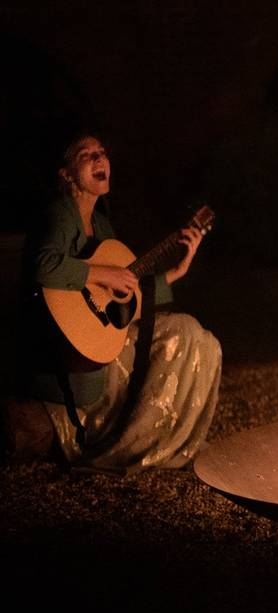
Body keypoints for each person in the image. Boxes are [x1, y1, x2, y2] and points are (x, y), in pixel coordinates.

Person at [19, 133, 221, 474]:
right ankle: (136, 446)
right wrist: (99, 273)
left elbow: (121, 301)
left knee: (202, 340)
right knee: (181, 336)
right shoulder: (60, 214)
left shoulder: (101, 225)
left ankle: (173, 441)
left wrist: (173, 273)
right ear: (66, 174)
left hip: (93, 335)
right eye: (87, 155)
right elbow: (43, 265)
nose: (100, 159)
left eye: (103, 153)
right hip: (63, 350)